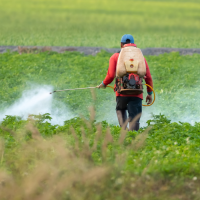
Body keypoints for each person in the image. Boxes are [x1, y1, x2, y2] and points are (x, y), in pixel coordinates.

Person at [97, 34, 153, 131]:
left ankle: (124, 132)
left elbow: (110, 75)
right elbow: (148, 77)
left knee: (120, 109)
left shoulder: (115, 57)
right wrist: (149, 93)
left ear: (121, 44)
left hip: (121, 92)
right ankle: (133, 137)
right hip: (137, 93)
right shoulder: (140, 58)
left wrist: (104, 84)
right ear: (133, 45)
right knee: (134, 118)